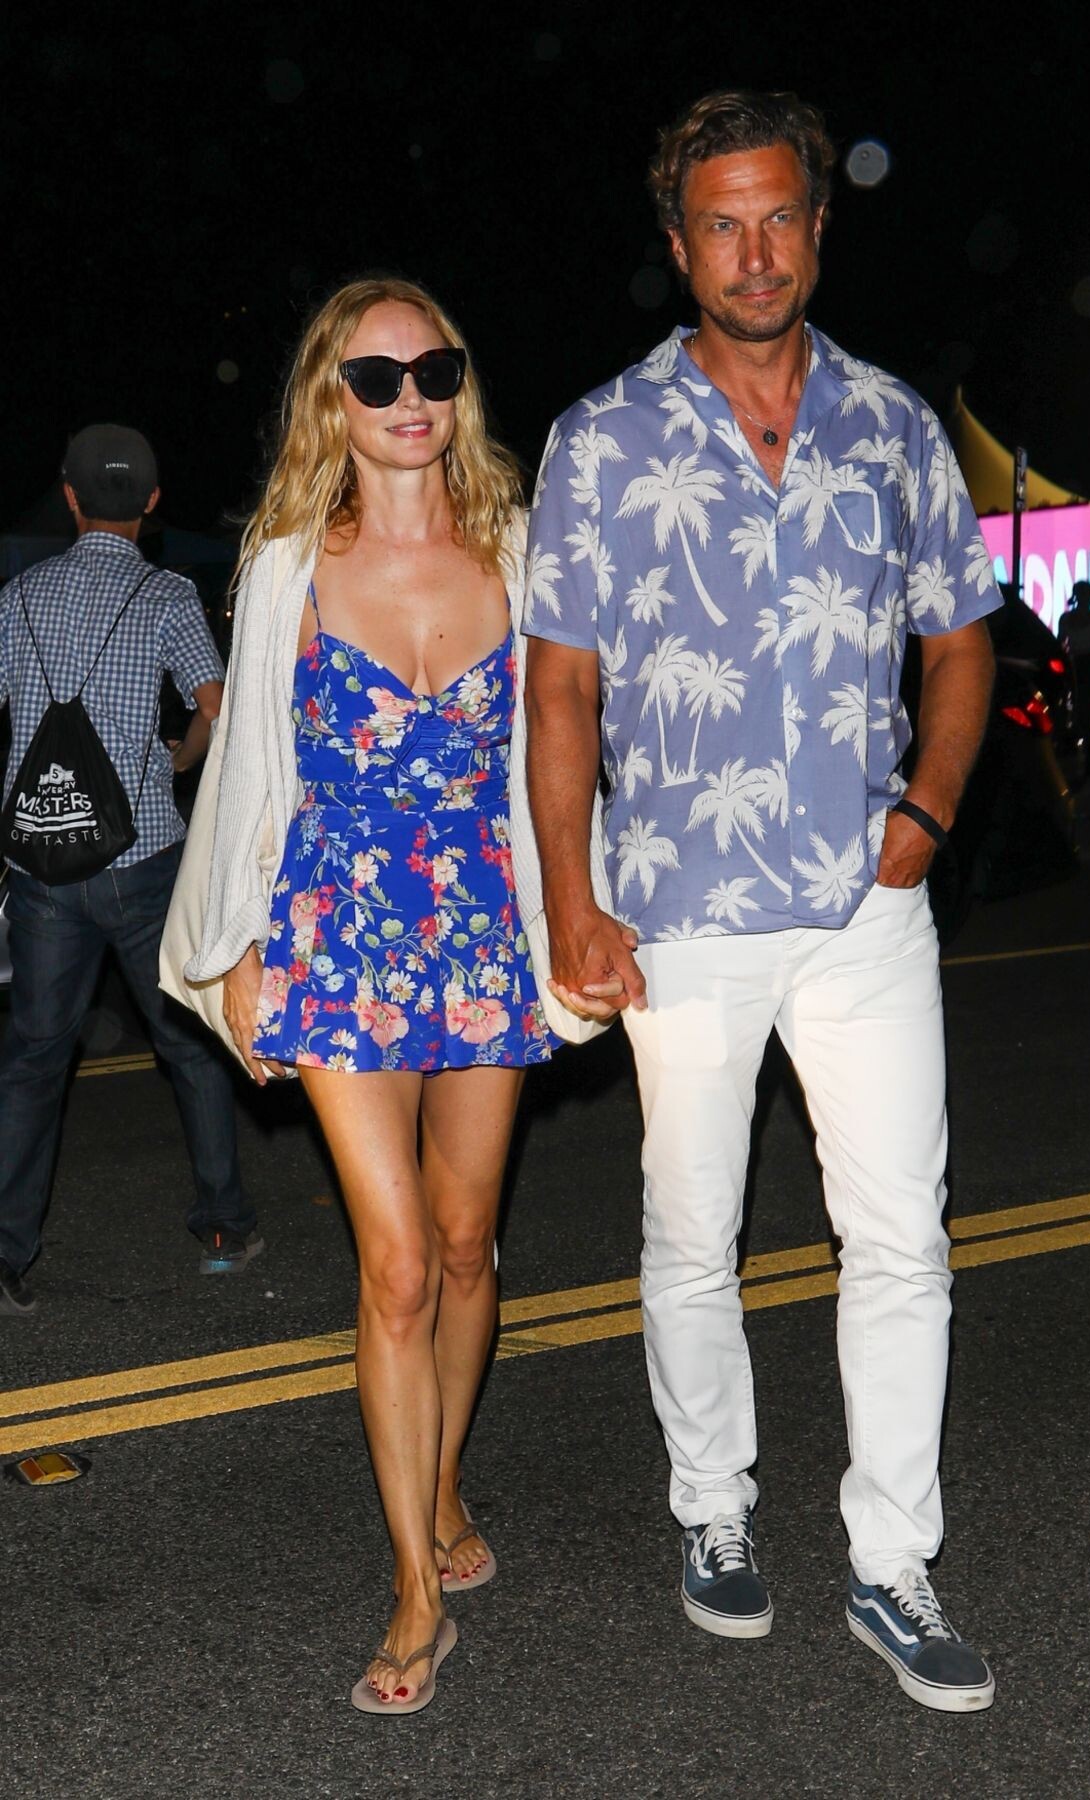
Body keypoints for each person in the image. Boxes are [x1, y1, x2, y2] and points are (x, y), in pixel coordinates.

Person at [524, 90, 1002, 1713]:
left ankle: (892, 1562)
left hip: (865, 900)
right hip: (679, 908)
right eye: (722, 224)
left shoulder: (893, 425)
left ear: (818, 224)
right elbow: (563, 686)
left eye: (779, 215)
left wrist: (928, 812)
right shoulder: (603, 438)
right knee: (692, 1233)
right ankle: (713, 1507)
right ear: (679, 247)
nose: (755, 251)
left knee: (902, 1240)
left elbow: (960, 637)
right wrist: (575, 896)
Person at [186, 278, 557, 1716]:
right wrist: (237, 948)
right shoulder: (288, 562)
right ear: (328, 403)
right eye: (377, 378)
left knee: (466, 1246)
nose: (411, 400)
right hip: (335, 928)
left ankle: (445, 1474)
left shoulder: (516, 548)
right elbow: (244, 769)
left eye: (434, 371)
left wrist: (585, 910)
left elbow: (567, 743)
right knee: (395, 1263)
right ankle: (414, 1589)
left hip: (479, 928)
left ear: (461, 387)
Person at [0, 425, 259, 1318]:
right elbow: (218, 708)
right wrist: (178, 760)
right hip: (144, 853)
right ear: (151, 504)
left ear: (68, 499)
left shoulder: (20, 595)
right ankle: (222, 1228)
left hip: (42, 863)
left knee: (35, 1058)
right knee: (185, 1041)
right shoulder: (167, 594)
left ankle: (8, 1255)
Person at [1057, 579, 1090, 772]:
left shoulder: (1074, 619)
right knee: (1084, 710)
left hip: (1085, 666)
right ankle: (1089, 750)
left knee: (1085, 710)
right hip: (1082, 666)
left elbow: (1060, 646)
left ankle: (1088, 750)